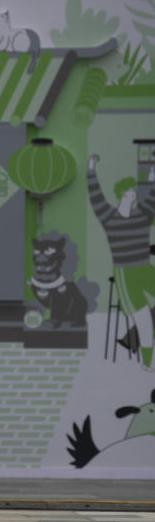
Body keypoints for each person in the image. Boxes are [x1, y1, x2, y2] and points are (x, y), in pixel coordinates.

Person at [87, 154, 155, 368]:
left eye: (134, 190)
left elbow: (153, 196)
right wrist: (91, 168)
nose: (133, 193)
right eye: (129, 190)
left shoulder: (143, 215)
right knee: (144, 320)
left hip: (146, 268)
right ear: (122, 193)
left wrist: (153, 176)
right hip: (126, 274)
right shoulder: (109, 217)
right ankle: (147, 362)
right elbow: (95, 196)